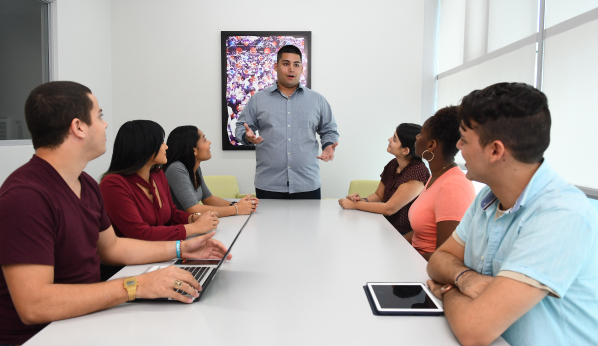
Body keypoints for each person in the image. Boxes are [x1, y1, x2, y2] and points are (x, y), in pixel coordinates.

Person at [0, 82, 232, 345]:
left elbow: (112, 248)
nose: (106, 124)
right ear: (78, 127)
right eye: (99, 116)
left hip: (87, 319)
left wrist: (182, 250)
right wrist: (136, 286)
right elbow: (34, 305)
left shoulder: (85, 183)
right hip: (44, 336)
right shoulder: (26, 196)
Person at [426, 83, 598, 345]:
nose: (458, 145)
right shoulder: (488, 198)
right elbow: (439, 259)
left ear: (495, 151)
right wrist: (465, 277)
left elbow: (474, 330)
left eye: (464, 138)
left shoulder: (561, 214)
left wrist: (447, 288)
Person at [235, 45, 339, 199]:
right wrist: (247, 136)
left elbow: (329, 129)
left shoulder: (317, 100)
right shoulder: (258, 99)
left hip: (307, 183)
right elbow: (240, 128)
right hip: (269, 184)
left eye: (296, 65)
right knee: (268, 224)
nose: (291, 69)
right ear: (276, 67)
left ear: (301, 68)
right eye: (286, 64)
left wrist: (329, 145)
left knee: (309, 224)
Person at [405, 106, 476, 260]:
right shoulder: (436, 176)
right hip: (414, 260)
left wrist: (403, 257)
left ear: (431, 145)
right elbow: (421, 233)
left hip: (426, 271)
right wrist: (395, 246)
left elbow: (446, 257)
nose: (417, 137)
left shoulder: (453, 186)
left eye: (421, 134)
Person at [337, 123, 430, 234]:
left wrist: (354, 205)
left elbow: (389, 209)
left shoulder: (418, 172)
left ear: (405, 150)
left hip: (404, 235)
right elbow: (378, 196)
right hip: (385, 227)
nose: (389, 139)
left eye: (394, 139)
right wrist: (361, 200)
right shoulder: (393, 164)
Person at [164, 125, 259, 216]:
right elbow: (193, 209)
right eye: (204, 140)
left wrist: (236, 205)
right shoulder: (176, 169)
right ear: (194, 151)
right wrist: (237, 209)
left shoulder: (194, 167)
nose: (209, 142)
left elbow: (208, 198)